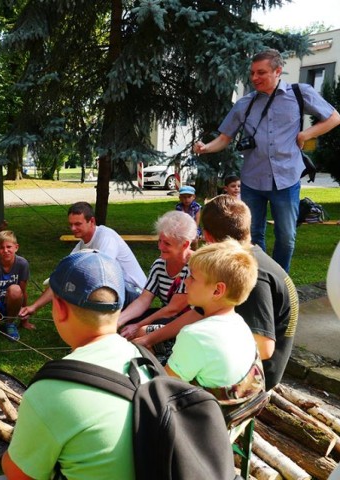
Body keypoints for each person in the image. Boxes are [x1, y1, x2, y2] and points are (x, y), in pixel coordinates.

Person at [1, 250, 146, 479]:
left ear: (59, 309)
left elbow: (18, 474)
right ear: (119, 307)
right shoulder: (145, 361)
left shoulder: (50, 392)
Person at [193, 49, 340, 273]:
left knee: (287, 236)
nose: (254, 78)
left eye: (261, 72)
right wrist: (205, 148)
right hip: (253, 180)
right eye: (252, 73)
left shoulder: (300, 93)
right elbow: (224, 138)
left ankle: (280, 281)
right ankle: (259, 279)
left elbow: (334, 117)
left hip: (286, 180)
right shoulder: (245, 104)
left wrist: (305, 135)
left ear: (278, 71)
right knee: (252, 235)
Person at [134, 195, 298, 389]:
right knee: (146, 334)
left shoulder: (250, 274)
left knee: (147, 369)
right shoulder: (239, 261)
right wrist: (149, 338)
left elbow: (264, 348)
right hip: (229, 350)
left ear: (209, 237)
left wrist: (199, 347)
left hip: (250, 377)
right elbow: (198, 313)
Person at [165, 240, 264, 405]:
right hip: (232, 421)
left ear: (217, 290)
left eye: (193, 277)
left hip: (199, 425)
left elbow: (163, 387)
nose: (186, 282)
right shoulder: (241, 326)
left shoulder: (196, 336)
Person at [18, 202, 146, 321]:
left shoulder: (107, 237)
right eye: (70, 224)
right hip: (115, 289)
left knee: (85, 283)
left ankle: (94, 328)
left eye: (78, 224)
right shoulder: (81, 246)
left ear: (92, 221)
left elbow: (103, 275)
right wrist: (34, 307)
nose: (73, 228)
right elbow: (63, 277)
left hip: (136, 294)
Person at [117, 211, 197, 358]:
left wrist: (138, 326)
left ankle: (159, 359)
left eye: (167, 243)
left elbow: (172, 309)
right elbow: (143, 299)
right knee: (129, 324)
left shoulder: (195, 266)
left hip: (187, 325)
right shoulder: (159, 264)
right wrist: (117, 321)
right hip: (166, 319)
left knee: (140, 330)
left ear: (185, 244)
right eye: (160, 241)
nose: (160, 247)